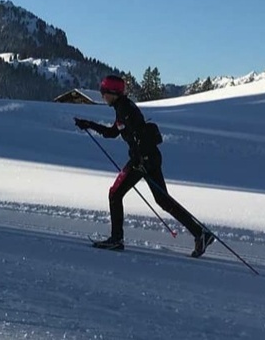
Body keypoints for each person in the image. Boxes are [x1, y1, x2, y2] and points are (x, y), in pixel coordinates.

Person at [74, 75, 214, 258]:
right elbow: (112, 133)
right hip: (151, 157)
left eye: (104, 92)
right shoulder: (123, 107)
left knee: (115, 194)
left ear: (113, 92)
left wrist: (142, 160)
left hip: (143, 159)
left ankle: (116, 239)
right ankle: (200, 234)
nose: (102, 96)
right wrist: (89, 124)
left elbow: (138, 134)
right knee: (163, 200)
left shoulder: (125, 109)